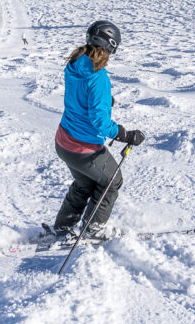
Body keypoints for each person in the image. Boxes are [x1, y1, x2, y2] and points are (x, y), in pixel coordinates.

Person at [52, 20, 145, 239]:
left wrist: (102, 99)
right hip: (83, 148)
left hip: (64, 141)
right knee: (113, 180)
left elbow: (80, 94)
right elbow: (99, 122)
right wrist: (125, 134)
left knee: (85, 183)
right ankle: (93, 229)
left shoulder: (75, 64)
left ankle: (63, 227)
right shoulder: (98, 77)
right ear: (110, 46)